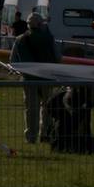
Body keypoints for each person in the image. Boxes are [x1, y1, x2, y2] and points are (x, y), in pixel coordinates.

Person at [10, 13, 59, 143]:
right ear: (39, 24)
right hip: (47, 78)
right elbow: (58, 57)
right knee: (48, 108)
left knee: (31, 109)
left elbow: (13, 61)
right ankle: (45, 134)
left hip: (29, 80)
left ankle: (31, 137)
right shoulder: (49, 39)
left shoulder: (20, 39)